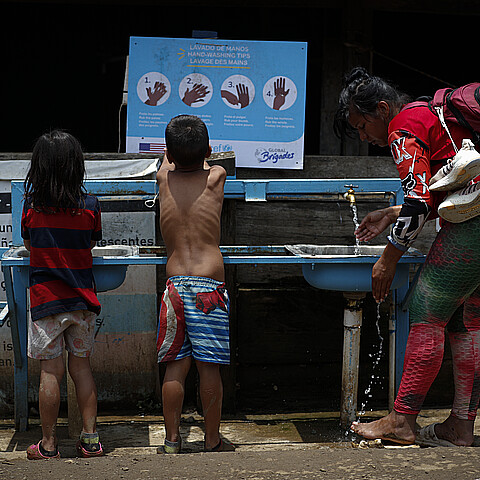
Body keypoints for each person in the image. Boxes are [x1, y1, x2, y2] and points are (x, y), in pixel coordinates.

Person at [334, 67, 480, 446]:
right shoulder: (430, 112)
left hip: (473, 229)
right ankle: (461, 426)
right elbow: (452, 191)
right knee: (468, 322)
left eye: (363, 126)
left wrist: (389, 257)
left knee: (426, 312)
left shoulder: (402, 126)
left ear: (382, 109)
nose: (365, 138)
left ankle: (402, 421)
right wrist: (391, 213)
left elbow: (417, 201)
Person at [21, 130, 104, 459]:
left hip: (46, 304)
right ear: (77, 167)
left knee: (50, 373)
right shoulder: (90, 207)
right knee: (81, 369)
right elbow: (91, 243)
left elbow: (29, 245)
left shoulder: (32, 208)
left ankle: (49, 445)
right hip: (82, 303)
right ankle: (90, 441)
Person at [155, 114, 234, 453]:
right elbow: (211, 162)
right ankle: (212, 438)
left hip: (174, 286)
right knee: (208, 367)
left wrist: (170, 154)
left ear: (169, 154)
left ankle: (172, 439)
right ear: (209, 150)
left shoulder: (162, 178)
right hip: (208, 287)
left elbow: (164, 162)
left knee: (175, 365)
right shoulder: (217, 176)